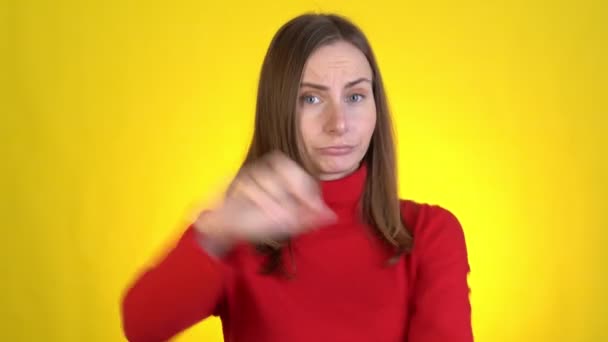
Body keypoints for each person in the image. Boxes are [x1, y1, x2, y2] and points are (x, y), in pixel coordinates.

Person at [121, 13, 473, 342]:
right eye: (311, 99)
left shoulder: (429, 231)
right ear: (279, 108)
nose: (339, 123)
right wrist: (217, 231)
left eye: (355, 95)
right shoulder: (237, 231)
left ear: (375, 107)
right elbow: (141, 325)